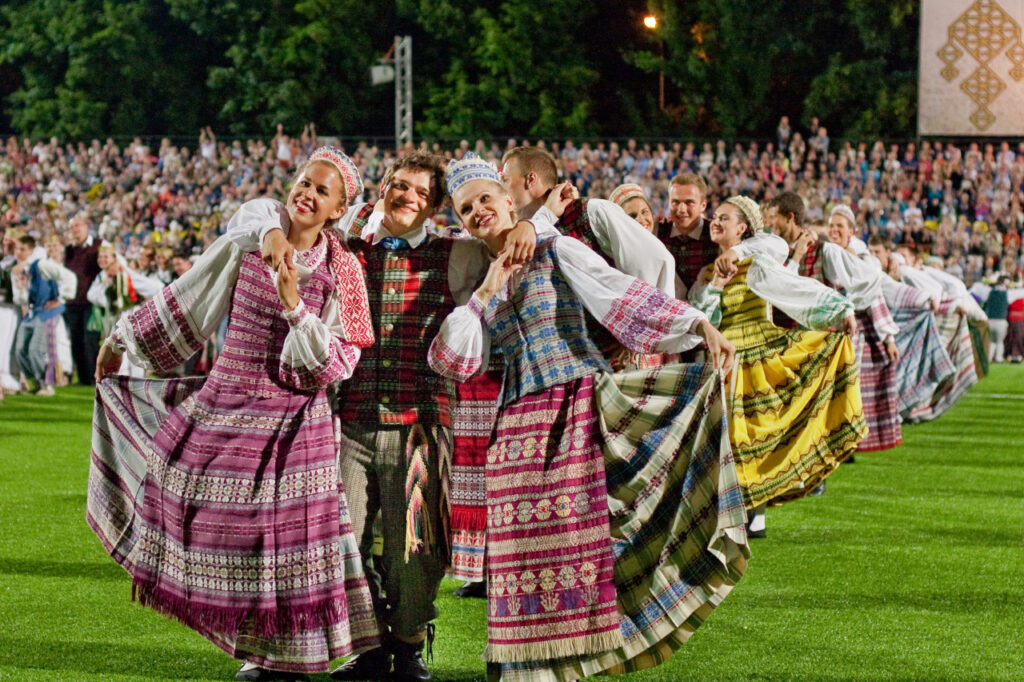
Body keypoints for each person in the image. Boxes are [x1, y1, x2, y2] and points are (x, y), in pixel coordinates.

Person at [430, 155, 749, 681]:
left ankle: (574, 663)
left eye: (487, 198)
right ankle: (523, 669)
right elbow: (453, 361)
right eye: (467, 208)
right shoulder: (474, 279)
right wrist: (488, 288)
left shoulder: (556, 247)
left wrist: (696, 324)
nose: (478, 211)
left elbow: (621, 293)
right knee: (522, 556)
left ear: (511, 200)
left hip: (577, 400)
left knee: (580, 544)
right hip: (514, 427)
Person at [232, 151, 544, 682]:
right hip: (348, 419)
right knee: (335, 541)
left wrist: (534, 223)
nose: (408, 198)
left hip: (423, 422)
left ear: (436, 206)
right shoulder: (345, 242)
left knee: (416, 549)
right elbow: (263, 213)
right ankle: (361, 646)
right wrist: (270, 231)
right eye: (401, 186)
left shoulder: (457, 253)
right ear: (384, 186)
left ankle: (408, 646)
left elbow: (503, 228)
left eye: (423, 194)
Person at [87, 146, 379, 680]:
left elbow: (336, 364)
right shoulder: (251, 238)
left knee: (288, 542)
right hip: (227, 402)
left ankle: (284, 659)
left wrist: (294, 308)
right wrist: (123, 337)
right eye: (304, 182)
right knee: (220, 526)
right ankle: (253, 648)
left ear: (338, 210)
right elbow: (193, 293)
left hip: (297, 420)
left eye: (322, 191)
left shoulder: (343, 274)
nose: (307, 194)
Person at [689, 196, 865, 538]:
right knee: (730, 442)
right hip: (723, 360)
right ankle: (734, 516)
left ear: (742, 228)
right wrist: (714, 287)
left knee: (755, 436)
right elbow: (701, 318)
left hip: (759, 355)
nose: (716, 222)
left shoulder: (756, 262)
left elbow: (794, 289)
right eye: (715, 217)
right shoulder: (709, 272)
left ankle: (754, 516)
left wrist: (839, 309)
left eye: (724, 218)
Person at [827, 205, 903, 452]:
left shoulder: (863, 261)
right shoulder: (823, 253)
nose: (834, 230)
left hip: (852, 333)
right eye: (832, 225)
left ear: (851, 231)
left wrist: (889, 338)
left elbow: (874, 297)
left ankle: (847, 441)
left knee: (848, 388)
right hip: (823, 330)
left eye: (840, 226)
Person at [10, 235, 77, 395]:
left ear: (31, 251)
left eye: (22, 249)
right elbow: (20, 300)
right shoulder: (17, 271)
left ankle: (46, 385)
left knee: (35, 350)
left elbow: (69, 277)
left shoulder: (41, 265)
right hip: (31, 313)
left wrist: (61, 299)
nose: (18, 252)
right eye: (17, 249)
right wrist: (20, 287)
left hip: (46, 312)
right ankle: (36, 383)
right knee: (20, 350)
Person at [63, 214, 102, 385]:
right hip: (72, 302)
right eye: (72, 227)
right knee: (76, 340)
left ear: (87, 227)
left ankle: (95, 376)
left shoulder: (98, 246)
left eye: (78, 225)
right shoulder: (69, 250)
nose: (75, 230)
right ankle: (83, 377)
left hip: (91, 302)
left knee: (90, 340)